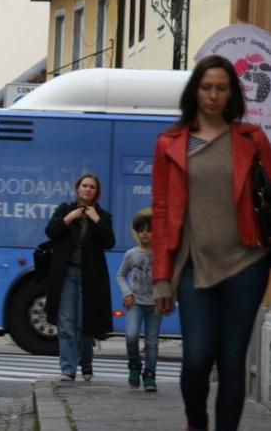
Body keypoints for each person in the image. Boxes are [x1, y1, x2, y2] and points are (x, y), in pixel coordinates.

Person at [152, 54, 271, 431]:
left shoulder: (252, 139)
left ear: (232, 93)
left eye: (221, 88)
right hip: (193, 263)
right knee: (197, 359)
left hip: (247, 261)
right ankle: (196, 423)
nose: (213, 95)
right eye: (206, 87)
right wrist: (161, 276)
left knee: (232, 361)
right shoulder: (170, 144)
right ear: (195, 90)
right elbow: (161, 212)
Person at [44, 173, 115, 382]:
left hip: (91, 276)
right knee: (66, 322)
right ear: (77, 189)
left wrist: (96, 220)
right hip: (66, 274)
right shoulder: (65, 209)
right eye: (84, 186)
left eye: (92, 187)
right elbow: (51, 231)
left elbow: (109, 242)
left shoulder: (103, 215)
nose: (87, 189)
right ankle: (68, 369)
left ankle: (86, 363)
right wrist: (70, 218)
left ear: (97, 193)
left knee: (86, 323)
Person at [116, 213, 159, 392]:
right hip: (135, 303)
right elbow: (120, 275)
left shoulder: (160, 254)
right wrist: (126, 292)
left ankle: (149, 374)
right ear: (136, 233)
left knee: (152, 342)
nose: (145, 234)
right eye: (141, 231)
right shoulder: (131, 254)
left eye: (149, 231)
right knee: (131, 335)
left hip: (155, 305)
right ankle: (134, 365)